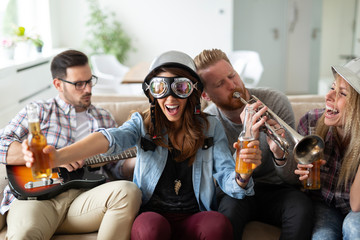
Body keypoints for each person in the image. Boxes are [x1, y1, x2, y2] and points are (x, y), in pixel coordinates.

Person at [22, 50, 262, 240]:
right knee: (149, 228)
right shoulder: (143, 124)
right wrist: (58, 157)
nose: (170, 98)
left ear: (193, 92)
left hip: (194, 214)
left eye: (180, 87)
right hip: (153, 214)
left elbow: (232, 182)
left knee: (217, 224)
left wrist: (243, 173)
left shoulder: (211, 127)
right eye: (160, 88)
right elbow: (110, 139)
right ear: (151, 93)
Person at [0, 49, 141, 239]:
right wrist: (55, 157)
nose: (89, 89)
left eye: (90, 80)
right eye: (79, 84)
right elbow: (2, 143)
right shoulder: (39, 111)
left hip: (85, 201)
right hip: (38, 197)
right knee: (25, 233)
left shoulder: (104, 118)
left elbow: (116, 167)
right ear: (58, 84)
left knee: (128, 191)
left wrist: (138, 160)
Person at [194, 48, 314, 240]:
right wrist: (246, 134)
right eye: (220, 84)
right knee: (226, 216)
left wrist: (279, 155)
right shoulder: (208, 122)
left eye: (232, 76)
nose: (232, 85)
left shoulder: (275, 101)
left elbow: (293, 179)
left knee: (301, 208)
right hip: (237, 193)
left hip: (277, 189)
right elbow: (219, 184)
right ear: (206, 95)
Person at [294, 58, 360, 240]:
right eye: (332, 88)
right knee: (323, 237)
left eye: (342, 94)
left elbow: (356, 205)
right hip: (324, 206)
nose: (328, 97)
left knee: (354, 227)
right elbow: (296, 185)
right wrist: (300, 175)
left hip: (356, 210)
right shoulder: (311, 123)